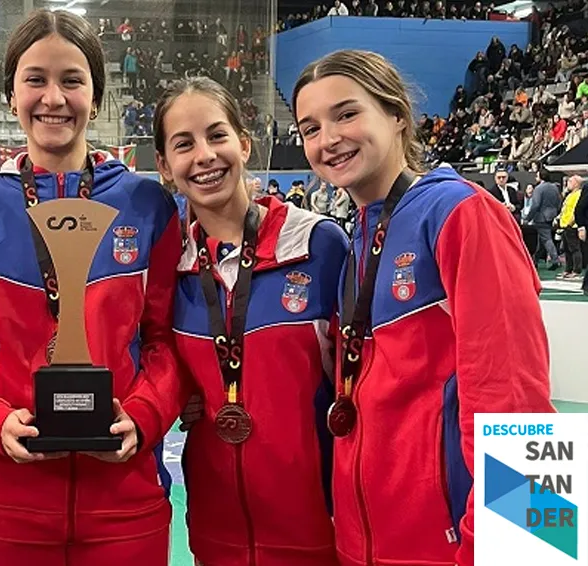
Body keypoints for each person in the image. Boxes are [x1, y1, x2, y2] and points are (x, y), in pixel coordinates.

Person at [0, 9, 183, 565]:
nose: (53, 97)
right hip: (9, 500)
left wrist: (145, 414)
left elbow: (167, 340)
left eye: (72, 80)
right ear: (11, 94)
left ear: (96, 96)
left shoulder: (148, 206)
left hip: (125, 499)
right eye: (35, 79)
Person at [291, 49, 553, 566]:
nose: (328, 139)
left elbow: (520, 400)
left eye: (347, 113)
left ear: (396, 115)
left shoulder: (461, 212)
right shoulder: (357, 237)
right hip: (363, 546)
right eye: (310, 128)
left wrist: (521, 549)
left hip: (450, 547)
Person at [155, 76, 344, 566]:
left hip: (318, 533)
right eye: (183, 144)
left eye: (217, 136)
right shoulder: (170, 269)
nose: (204, 156)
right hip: (216, 538)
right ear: (163, 166)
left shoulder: (318, 245)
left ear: (243, 142)